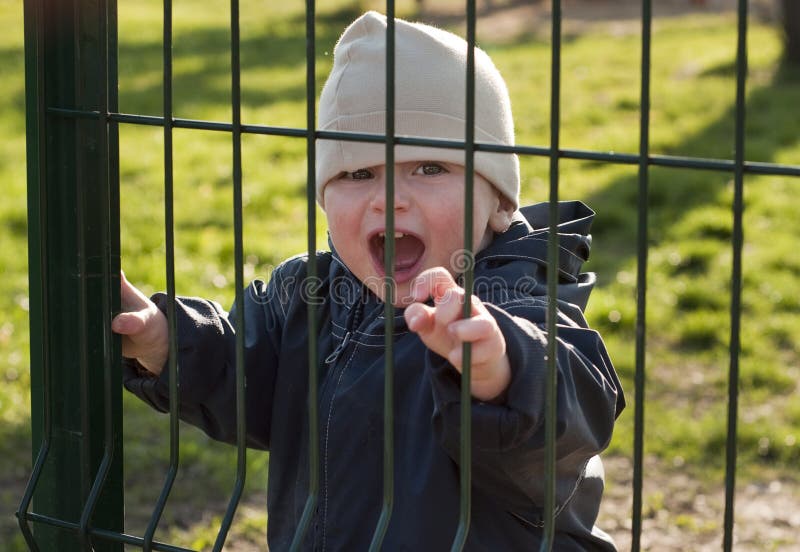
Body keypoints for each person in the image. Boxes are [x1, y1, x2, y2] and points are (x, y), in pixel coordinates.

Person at [114, 11, 625, 551]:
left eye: (428, 168)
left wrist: (500, 370)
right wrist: (168, 341)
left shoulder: (518, 299)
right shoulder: (304, 297)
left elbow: (572, 402)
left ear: (498, 201)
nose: (389, 198)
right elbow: (245, 373)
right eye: (358, 174)